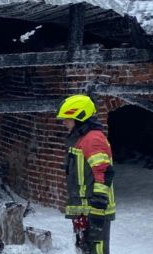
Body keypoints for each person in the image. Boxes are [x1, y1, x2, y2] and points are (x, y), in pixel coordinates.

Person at [57, 95, 115, 254]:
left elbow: (104, 173)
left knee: (96, 250)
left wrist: (97, 207)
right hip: (83, 209)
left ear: (80, 117)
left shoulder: (93, 139)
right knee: (84, 249)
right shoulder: (80, 139)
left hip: (94, 210)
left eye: (67, 118)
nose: (64, 122)